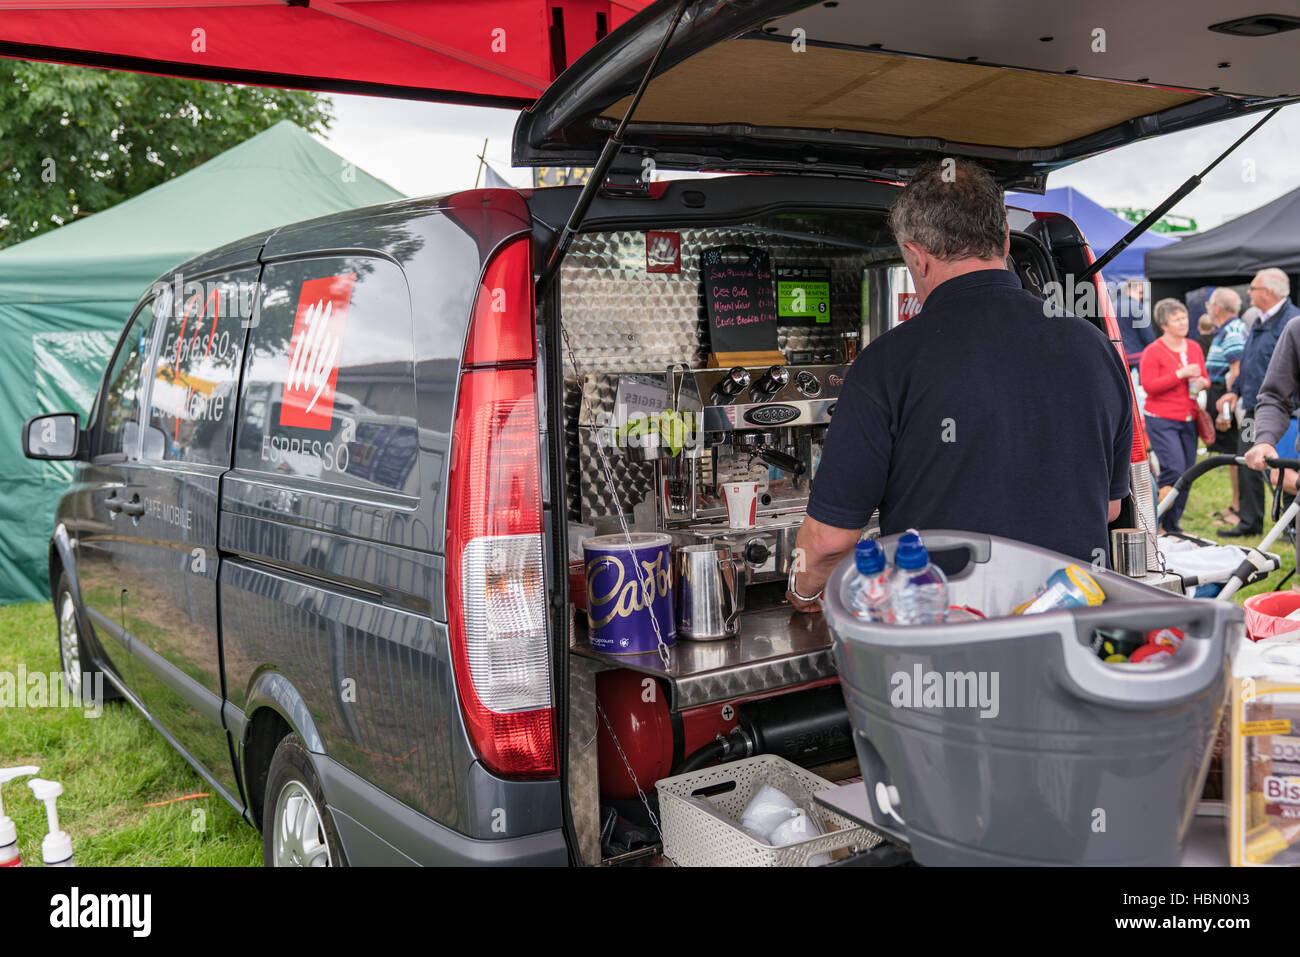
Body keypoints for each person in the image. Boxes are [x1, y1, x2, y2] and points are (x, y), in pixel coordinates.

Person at [786, 159, 1133, 611]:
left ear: (916, 256)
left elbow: (830, 541)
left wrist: (803, 592)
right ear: (1005, 240)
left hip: (950, 642)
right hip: (1072, 627)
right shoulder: (1097, 346)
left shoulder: (885, 364)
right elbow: (1108, 508)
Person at [1217, 268, 1300, 537]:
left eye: (1253, 288)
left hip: (1288, 414)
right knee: (1252, 461)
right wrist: (1236, 391)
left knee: (1281, 474)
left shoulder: (1289, 318)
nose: (1248, 293)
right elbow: (1251, 362)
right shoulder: (1265, 322)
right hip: (1260, 407)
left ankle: (1287, 525)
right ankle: (1251, 521)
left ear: (1268, 291)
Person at [1139, 299, 1209, 534]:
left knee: (1188, 473)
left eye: (1184, 317)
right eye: (1177, 319)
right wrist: (1180, 373)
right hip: (1161, 419)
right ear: (1164, 324)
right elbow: (1149, 386)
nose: (1183, 322)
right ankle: (1155, 523)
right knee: (1174, 469)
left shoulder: (1194, 347)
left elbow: (1205, 378)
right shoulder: (1153, 351)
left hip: (1189, 418)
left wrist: (1201, 383)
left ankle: (1172, 526)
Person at [1203, 287, 1247, 525]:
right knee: (1230, 456)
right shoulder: (1228, 329)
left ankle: (1237, 510)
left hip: (1225, 397)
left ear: (1217, 308)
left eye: (1210, 304)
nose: (1208, 308)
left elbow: (1237, 372)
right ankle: (1234, 505)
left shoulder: (1232, 331)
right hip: (1221, 394)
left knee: (1233, 457)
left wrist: (1226, 410)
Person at [1117, 279, 1155, 373]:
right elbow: (1147, 334)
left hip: (1118, 358)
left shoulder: (1111, 306)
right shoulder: (1136, 306)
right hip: (1137, 358)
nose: (1141, 296)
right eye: (1140, 292)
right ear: (1130, 291)